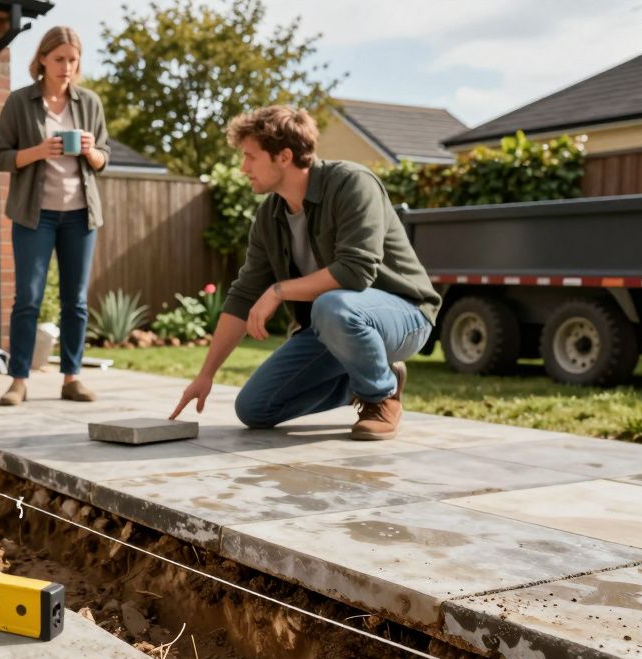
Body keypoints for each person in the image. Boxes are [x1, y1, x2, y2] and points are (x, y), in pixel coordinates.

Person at [170, 106, 440, 440]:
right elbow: (243, 295)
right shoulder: (269, 216)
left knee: (332, 304)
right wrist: (205, 375)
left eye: (251, 157)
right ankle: (377, 374)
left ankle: (380, 396)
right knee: (255, 408)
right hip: (333, 325)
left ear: (284, 156)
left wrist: (278, 291)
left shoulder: (352, 184)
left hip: (405, 315)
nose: (243, 168)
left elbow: (355, 272)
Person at [0, 26, 110, 407]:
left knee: (75, 301)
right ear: (42, 59)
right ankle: (18, 380)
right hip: (34, 214)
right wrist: (38, 150)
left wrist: (91, 152)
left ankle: (71, 378)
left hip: (79, 215)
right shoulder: (20, 101)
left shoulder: (89, 102)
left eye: (73, 59)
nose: (67, 66)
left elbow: (104, 159)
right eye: (59, 59)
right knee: (28, 297)